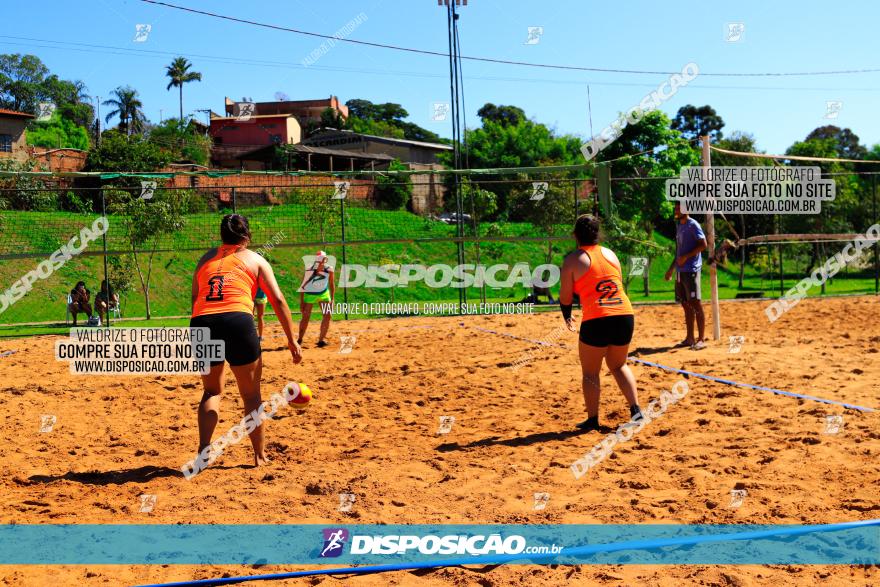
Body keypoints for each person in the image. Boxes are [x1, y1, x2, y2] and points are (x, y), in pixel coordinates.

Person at [190, 214, 302, 468]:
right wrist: (291, 339)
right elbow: (278, 300)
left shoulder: (205, 258)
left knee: (212, 391)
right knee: (251, 396)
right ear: (247, 237)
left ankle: (203, 452)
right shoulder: (255, 259)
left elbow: (196, 297)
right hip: (237, 319)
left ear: (222, 237)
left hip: (202, 321)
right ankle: (259, 456)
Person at [560, 214, 641, 431]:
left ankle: (593, 420)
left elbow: (565, 297)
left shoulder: (572, 259)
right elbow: (617, 284)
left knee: (590, 372)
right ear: (597, 233)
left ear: (576, 235)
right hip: (624, 314)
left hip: (597, 318)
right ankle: (636, 410)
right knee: (618, 365)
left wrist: (567, 315)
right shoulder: (610, 254)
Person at [664, 202, 707, 350]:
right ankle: (690, 338)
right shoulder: (679, 226)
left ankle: (701, 339)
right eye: (675, 208)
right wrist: (671, 269)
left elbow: (703, 245)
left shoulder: (693, 225)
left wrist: (687, 257)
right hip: (680, 272)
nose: (676, 210)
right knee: (686, 305)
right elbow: (678, 252)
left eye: (678, 208)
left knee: (695, 304)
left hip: (692, 270)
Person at [297, 250, 335, 348]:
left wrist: (332, 299)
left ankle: (321, 340)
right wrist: (302, 302)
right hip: (310, 293)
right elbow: (302, 286)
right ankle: (300, 339)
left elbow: (331, 284)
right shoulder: (309, 270)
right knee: (306, 317)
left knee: (328, 315)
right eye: (321, 259)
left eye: (324, 259)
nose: (323, 261)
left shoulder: (329, 270)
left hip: (323, 293)